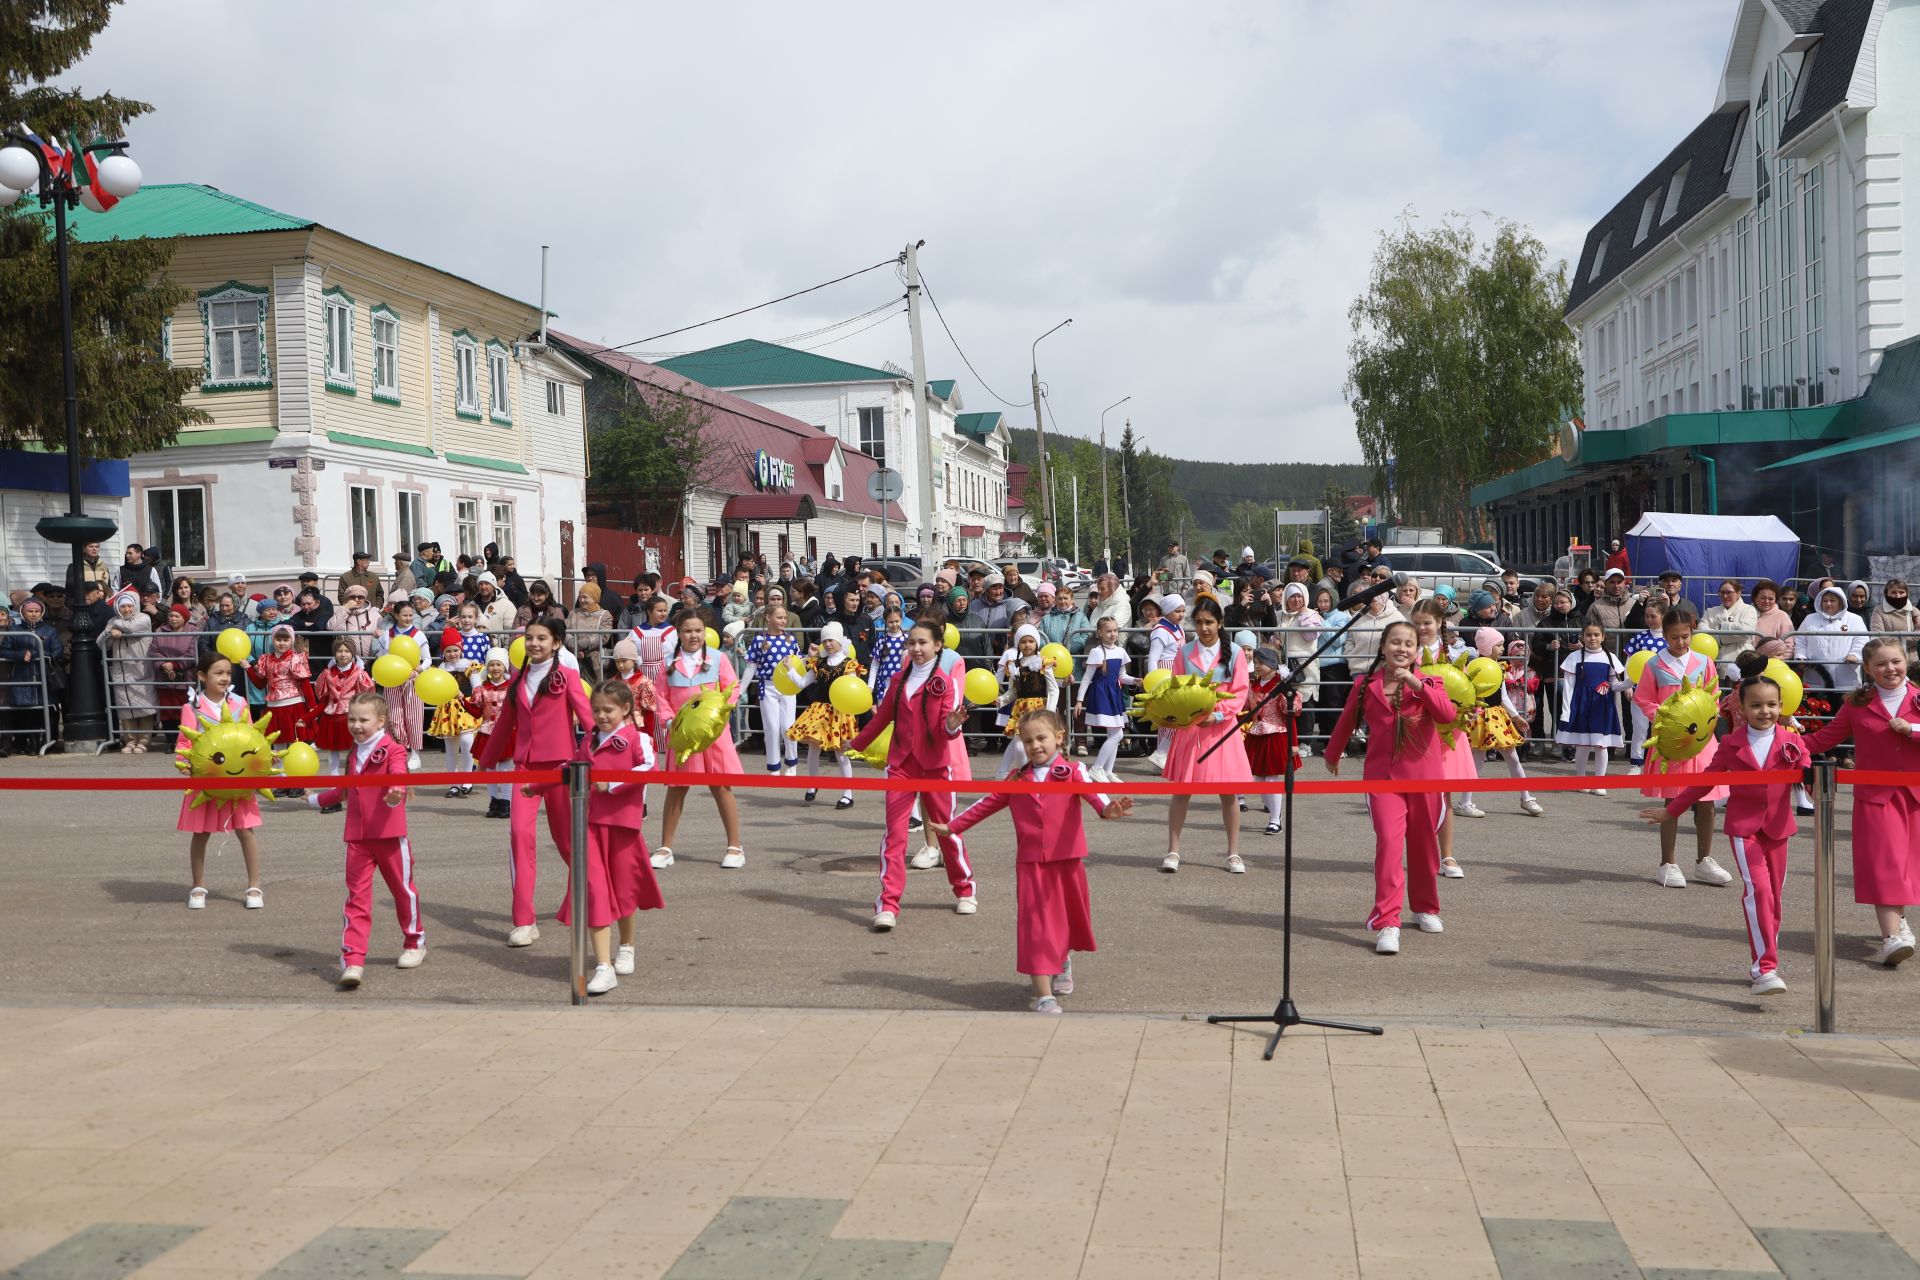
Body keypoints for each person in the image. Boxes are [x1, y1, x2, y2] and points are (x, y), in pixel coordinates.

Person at [940, 710, 1129, 1014]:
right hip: (1031, 864)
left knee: (1066, 919)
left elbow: (1098, 800)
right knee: (1036, 926)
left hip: (1067, 862)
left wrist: (1111, 810)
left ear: (1058, 738)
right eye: (1027, 741)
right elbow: (984, 804)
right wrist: (951, 826)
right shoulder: (1017, 778)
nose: (1035, 745)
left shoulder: (1075, 771)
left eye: (1041, 738)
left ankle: (1063, 960)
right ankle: (1044, 996)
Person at [1641, 654, 1807, 994]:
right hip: (1745, 830)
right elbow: (1705, 782)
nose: (1766, 711)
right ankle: (1765, 968)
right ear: (1742, 709)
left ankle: (1766, 958)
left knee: (1774, 898)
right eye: (1757, 705)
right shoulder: (1731, 743)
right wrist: (1671, 811)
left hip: (1779, 829)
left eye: (1772, 705)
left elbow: (1809, 772)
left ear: (1781, 706)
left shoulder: (1792, 740)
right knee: (1757, 892)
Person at [1325, 619, 1457, 954]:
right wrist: (1333, 753)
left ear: (1417, 650)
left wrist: (1418, 685)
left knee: (1425, 846)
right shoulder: (1365, 684)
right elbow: (1346, 720)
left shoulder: (1431, 681)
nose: (1401, 648)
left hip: (1425, 776)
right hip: (1382, 778)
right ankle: (1387, 921)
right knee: (1388, 843)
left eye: (1408, 644)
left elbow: (1446, 715)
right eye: (1395, 642)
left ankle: (1425, 907)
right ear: (1383, 647)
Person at [844, 615, 978, 931]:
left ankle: (965, 889)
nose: (916, 648)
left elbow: (947, 730)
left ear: (938, 645)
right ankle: (888, 904)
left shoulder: (946, 681)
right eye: (912, 642)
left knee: (948, 831)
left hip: (935, 767)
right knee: (895, 835)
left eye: (923, 643)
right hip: (901, 766)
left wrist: (950, 725)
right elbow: (882, 718)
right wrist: (859, 743)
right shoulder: (899, 679)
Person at [1802, 638, 1920, 965]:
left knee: (1906, 866)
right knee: (1886, 864)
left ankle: (1899, 921)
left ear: (1906, 661)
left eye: (1895, 661)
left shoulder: (1918, 697)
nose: (1890, 669)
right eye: (1881, 664)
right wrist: (1782, 742)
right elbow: (1824, 739)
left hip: (1915, 797)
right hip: (1876, 799)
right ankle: (1891, 938)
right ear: (1867, 668)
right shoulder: (1857, 703)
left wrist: (1911, 729)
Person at [476, 618, 593, 944]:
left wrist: (596, 755)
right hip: (524, 768)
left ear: (556, 643)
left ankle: (585, 889)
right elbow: (504, 726)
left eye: (542, 638)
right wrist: (483, 763)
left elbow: (589, 722)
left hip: (561, 768)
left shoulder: (568, 676)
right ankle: (524, 920)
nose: (534, 643)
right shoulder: (518, 680)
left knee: (566, 841)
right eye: (530, 638)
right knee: (518, 835)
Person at [304, 691, 422, 988]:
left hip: (390, 835)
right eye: (352, 719)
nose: (356, 725)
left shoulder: (392, 749)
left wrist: (396, 789)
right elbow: (343, 791)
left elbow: (398, 774)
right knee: (356, 899)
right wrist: (314, 799)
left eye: (363, 720)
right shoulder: (354, 753)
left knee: (402, 892)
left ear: (381, 721)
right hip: (357, 839)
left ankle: (414, 942)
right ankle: (353, 959)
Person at [573, 681, 662, 995]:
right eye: (595, 710)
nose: (600, 715)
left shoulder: (638, 738)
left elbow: (649, 768)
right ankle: (602, 965)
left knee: (624, 890)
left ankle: (626, 946)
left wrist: (612, 784)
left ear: (626, 709)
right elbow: (574, 767)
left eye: (607, 709)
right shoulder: (589, 739)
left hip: (622, 826)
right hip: (589, 826)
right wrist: (537, 784)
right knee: (595, 890)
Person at [1635, 606, 1733, 888]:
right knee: (1672, 801)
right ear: (1665, 635)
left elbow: (1714, 697)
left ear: (1692, 632)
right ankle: (1668, 862)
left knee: (1707, 802)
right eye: (1675, 637)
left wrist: (1705, 718)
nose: (1681, 642)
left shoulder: (1704, 661)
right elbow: (1644, 700)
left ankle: (1705, 860)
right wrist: (1665, 718)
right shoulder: (1654, 665)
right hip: (1671, 742)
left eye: (1686, 636)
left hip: (1702, 741)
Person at [1159, 597, 1251, 875]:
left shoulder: (1234, 652)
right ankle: (1173, 850)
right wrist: (1187, 714)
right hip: (1192, 729)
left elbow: (1240, 691)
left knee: (1228, 794)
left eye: (1209, 622)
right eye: (1198, 622)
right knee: (1181, 791)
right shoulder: (1184, 652)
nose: (1204, 627)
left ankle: (1233, 853)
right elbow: (1175, 688)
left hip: (1222, 730)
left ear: (1220, 623)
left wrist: (1218, 714)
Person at [650, 612, 748, 871]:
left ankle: (735, 846)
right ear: (678, 634)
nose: (693, 635)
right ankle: (665, 847)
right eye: (687, 631)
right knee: (677, 787)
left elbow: (732, 689)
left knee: (721, 786)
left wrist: (717, 717)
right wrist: (671, 723)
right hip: (683, 735)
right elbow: (661, 697)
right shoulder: (668, 663)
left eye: (698, 630)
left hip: (714, 734)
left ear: (705, 632)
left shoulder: (718, 658)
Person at [175, 651, 266, 911]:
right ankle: (198, 886)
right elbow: (184, 742)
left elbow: (252, 736)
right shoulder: (191, 707)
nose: (225, 678)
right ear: (202, 676)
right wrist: (184, 763)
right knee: (201, 833)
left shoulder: (240, 703)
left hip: (238, 780)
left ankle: (255, 885)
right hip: (206, 780)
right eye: (218, 673)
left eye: (228, 673)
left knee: (246, 831)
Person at [785, 620, 864, 808]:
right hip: (819, 711)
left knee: (841, 752)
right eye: (825, 640)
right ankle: (812, 784)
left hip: (840, 712)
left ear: (839, 641)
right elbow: (803, 683)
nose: (828, 644)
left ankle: (848, 793)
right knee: (813, 747)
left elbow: (852, 690)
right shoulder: (818, 663)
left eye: (831, 640)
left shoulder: (849, 664)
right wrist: (790, 670)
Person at [247, 624, 316, 797]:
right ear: (273, 640)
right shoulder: (266, 659)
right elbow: (260, 683)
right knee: (277, 745)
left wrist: (312, 708)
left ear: (291, 641)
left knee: (295, 743)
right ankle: (282, 781)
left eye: (286, 639)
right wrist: (248, 668)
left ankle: (297, 781)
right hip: (274, 706)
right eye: (279, 639)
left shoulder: (296, 658)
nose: (282, 643)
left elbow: (305, 684)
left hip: (293, 704)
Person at [1558, 621, 1625, 792]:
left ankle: (1599, 782)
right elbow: (1568, 687)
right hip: (1581, 704)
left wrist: (1628, 683)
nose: (1592, 638)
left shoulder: (1610, 657)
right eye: (1588, 634)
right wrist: (1566, 711)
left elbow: (1615, 685)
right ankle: (1581, 780)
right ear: (1582, 636)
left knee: (1601, 744)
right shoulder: (1574, 657)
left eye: (1596, 635)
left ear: (1603, 637)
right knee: (1582, 744)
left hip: (1602, 706)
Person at [1075, 615, 1138, 784]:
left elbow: (1122, 676)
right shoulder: (1096, 652)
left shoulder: (1120, 651)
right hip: (1101, 695)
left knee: (1114, 733)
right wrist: (1079, 700)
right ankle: (1096, 768)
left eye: (1115, 630)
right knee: (1117, 734)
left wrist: (1134, 680)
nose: (1112, 634)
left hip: (1114, 694)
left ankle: (1107, 771)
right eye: (1108, 631)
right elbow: (1087, 678)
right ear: (1100, 633)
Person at [312, 637, 374, 809]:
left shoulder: (360, 674)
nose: (343, 654)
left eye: (347, 651)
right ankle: (334, 792)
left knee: (357, 754)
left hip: (351, 717)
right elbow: (322, 695)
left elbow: (367, 695)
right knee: (332, 754)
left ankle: (359, 790)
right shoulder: (326, 674)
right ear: (335, 653)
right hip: (332, 716)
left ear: (352, 654)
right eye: (340, 651)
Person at [1244, 646, 1299, 835]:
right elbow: (1245, 704)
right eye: (1255, 662)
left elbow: (1292, 712)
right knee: (1257, 778)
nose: (1256, 666)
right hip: (1256, 734)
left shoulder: (1281, 684)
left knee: (1271, 777)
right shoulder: (1254, 683)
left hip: (1276, 733)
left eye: (1259, 662)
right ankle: (1271, 809)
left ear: (1271, 663)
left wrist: (1287, 694)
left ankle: (1275, 819)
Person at [374, 599, 431, 770]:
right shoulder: (388, 635)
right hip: (392, 680)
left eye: (410, 615)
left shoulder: (418, 634)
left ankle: (415, 754)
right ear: (396, 615)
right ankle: (398, 751)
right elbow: (383, 658)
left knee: (413, 717)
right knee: (393, 716)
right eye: (404, 615)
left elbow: (427, 658)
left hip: (413, 680)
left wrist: (419, 670)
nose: (408, 618)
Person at [102, 588, 157, 752]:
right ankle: (130, 741)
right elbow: (101, 643)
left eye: (129, 606)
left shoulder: (144, 618)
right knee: (126, 708)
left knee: (144, 707)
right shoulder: (113, 622)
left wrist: (115, 625)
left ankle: (144, 741)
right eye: (123, 606)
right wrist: (109, 634)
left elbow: (133, 628)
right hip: (121, 671)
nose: (126, 610)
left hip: (140, 669)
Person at [465, 647, 515, 819]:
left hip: (508, 733)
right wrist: (461, 701)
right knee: (491, 768)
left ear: (505, 668)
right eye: (492, 664)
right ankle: (494, 801)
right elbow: (477, 712)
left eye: (499, 665)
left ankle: (506, 802)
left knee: (506, 769)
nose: (495, 668)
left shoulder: (512, 688)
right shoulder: (481, 689)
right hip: (487, 733)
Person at [1798, 584, 1868, 692]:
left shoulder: (1855, 619)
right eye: (1825, 600)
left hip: (1846, 680)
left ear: (1840, 601)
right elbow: (1800, 641)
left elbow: (1862, 641)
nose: (1828, 604)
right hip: (1815, 679)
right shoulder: (1809, 619)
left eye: (1832, 600)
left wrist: (1855, 655)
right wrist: (1800, 657)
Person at [1146, 593, 1186, 770]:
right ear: (1168, 611)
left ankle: (1163, 760)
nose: (1182, 614)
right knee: (1172, 718)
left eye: (1183, 611)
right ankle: (1161, 754)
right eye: (1178, 611)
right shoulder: (1160, 632)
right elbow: (1153, 658)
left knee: (1172, 718)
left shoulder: (1178, 628)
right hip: (1165, 675)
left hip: (1177, 674)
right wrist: (1154, 685)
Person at [1702, 580, 1759, 681]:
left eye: (1729, 592)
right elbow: (1701, 631)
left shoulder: (1749, 609)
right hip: (1716, 663)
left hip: (1742, 660)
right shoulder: (1711, 611)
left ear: (1738, 593)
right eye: (1722, 593)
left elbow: (1745, 631)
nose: (1725, 596)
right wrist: (1727, 633)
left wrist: (1718, 629)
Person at [1872, 580, 1920, 664]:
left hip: (1912, 659)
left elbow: (1918, 635)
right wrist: (1906, 636)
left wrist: (1893, 636)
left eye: (1902, 592)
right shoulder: (1878, 611)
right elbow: (1878, 635)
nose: (1898, 596)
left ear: (1907, 593)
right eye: (1893, 592)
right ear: (1886, 594)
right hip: (1889, 658)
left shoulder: (1914, 611)